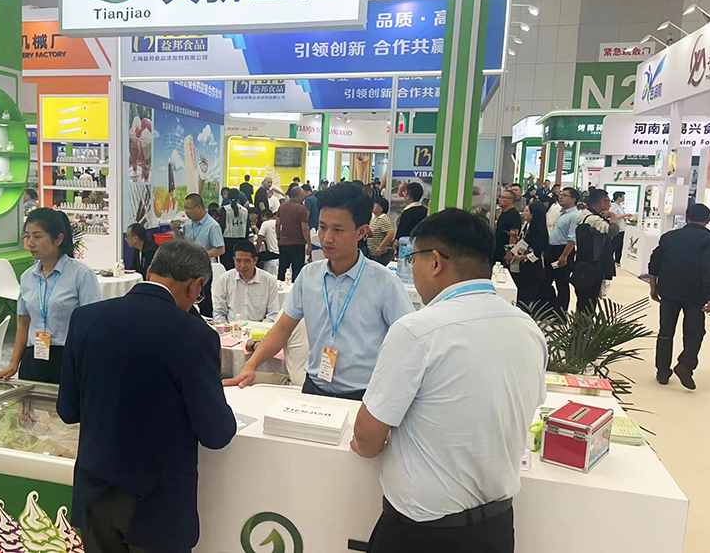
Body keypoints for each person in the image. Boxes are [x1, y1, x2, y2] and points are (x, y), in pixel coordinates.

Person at [352, 208, 547, 553]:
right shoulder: (527, 328)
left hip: (422, 535)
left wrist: (369, 444)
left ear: (435, 262)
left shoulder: (418, 330)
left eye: (412, 259)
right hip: (497, 527)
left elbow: (368, 437)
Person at [58, 239, 236, 552]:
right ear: (195, 286)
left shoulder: (86, 318)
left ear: (150, 270)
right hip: (156, 504)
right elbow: (216, 433)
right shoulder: (194, 335)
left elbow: (68, 410)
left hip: (94, 492)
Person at [225, 184, 415, 400]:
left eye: (338, 230)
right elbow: (283, 329)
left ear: (361, 232)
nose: (327, 238)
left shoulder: (385, 283)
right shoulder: (309, 276)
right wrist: (251, 364)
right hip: (313, 388)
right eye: (323, 227)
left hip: (363, 395)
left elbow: (408, 343)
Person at [0, 208, 101, 383]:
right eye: (27, 236)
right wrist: (13, 363)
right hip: (34, 358)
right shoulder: (27, 277)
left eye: (37, 236)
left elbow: (92, 325)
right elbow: (23, 322)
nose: (30, 243)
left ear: (59, 239)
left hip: (69, 358)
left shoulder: (81, 274)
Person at [649, 203, 710, 390]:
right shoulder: (709, 239)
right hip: (695, 294)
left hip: (669, 290)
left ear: (687, 217)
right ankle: (685, 364)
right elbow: (709, 268)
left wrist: (653, 285)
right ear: (707, 220)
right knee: (695, 331)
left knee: (666, 331)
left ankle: (662, 372)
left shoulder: (670, 237)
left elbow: (654, 261)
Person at [171, 194, 225, 317]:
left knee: (204, 300)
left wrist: (201, 254)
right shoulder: (188, 223)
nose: (186, 212)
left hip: (203, 268)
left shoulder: (213, 226)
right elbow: (181, 240)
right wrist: (175, 231)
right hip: (187, 266)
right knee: (185, 297)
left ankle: (207, 321)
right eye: (185, 208)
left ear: (199, 207)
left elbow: (221, 249)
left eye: (189, 208)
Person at [572, 189, 621, 314]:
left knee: (582, 302)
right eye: (608, 201)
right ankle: (583, 326)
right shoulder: (594, 220)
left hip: (582, 264)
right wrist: (613, 216)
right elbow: (612, 231)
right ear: (601, 202)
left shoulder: (583, 215)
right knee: (589, 304)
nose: (609, 205)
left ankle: (579, 325)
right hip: (593, 267)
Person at [212, 241, 281, 324]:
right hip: (231, 329)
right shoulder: (224, 280)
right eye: (238, 261)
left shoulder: (269, 281)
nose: (242, 266)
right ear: (234, 260)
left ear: (255, 260)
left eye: (247, 261)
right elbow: (218, 312)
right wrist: (227, 328)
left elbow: (273, 314)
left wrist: (259, 329)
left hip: (260, 330)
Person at [544, 188, 581, 318]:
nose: (561, 197)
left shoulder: (575, 215)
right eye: (561, 195)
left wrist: (564, 256)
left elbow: (572, 238)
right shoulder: (562, 213)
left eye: (565, 195)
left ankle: (560, 315)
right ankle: (550, 309)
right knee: (546, 280)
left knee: (562, 283)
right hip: (553, 249)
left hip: (563, 250)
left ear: (573, 199)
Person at [508, 202, 549, 307]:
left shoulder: (540, 231)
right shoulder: (528, 226)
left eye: (526, 211)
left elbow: (538, 253)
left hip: (533, 268)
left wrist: (523, 257)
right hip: (524, 266)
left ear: (533, 215)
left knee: (528, 295)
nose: (523, 213)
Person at [276, 186, 311, 281]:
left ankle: (279, 287)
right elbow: (305, 228)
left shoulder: (282, 206)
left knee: (282, 269)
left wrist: (278, 237)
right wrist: (309, 244)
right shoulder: (302, 209)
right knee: (297, 271)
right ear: (299, 196)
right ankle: (295, 288)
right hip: (298, 244)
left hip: (284, 243)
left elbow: (277, 223)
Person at [219, 188, 249, 270]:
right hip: (241, 241)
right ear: (238, 197)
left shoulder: (225, 209)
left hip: (227, 241)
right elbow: (247, 228)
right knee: (239, 267)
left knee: (227, 268)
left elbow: (221, 226)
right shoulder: (245, 210)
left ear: (228, 196)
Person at [493, 190, 522, 265]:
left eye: (503, 198)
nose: (500, 200)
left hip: (505, 250)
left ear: (511, 200)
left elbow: (514, 234)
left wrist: (509, 252)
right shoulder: (503, 212)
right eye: (500, 197)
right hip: (498, 247)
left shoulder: (514, 214)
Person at [368, 199, 396, 265]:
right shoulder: (374, 218)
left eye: (376, 204)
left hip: (380, 254)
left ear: (381, 208)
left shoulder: (383, 218)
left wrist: (381, 247)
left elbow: (390, 234)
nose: (373, 205)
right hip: (372, 253)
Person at [610, 191, 634, 264]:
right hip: (617, 228)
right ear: (618, 197)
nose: (624, 198)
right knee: (615, 245)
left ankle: (617, 261)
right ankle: (610, 260)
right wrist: (624, 215)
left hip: (623, 228)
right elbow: (614, 216)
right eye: (623, 197)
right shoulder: (613, 206)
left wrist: (626, 218)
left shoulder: (620, 206)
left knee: (620, 246)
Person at [256, 209, 280, 276]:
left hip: (272, 253)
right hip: (281, 253)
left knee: (254, 258)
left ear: (264, 216)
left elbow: (260, 238)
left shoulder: (265, 223)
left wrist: (256, 251)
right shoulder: (278, 222)